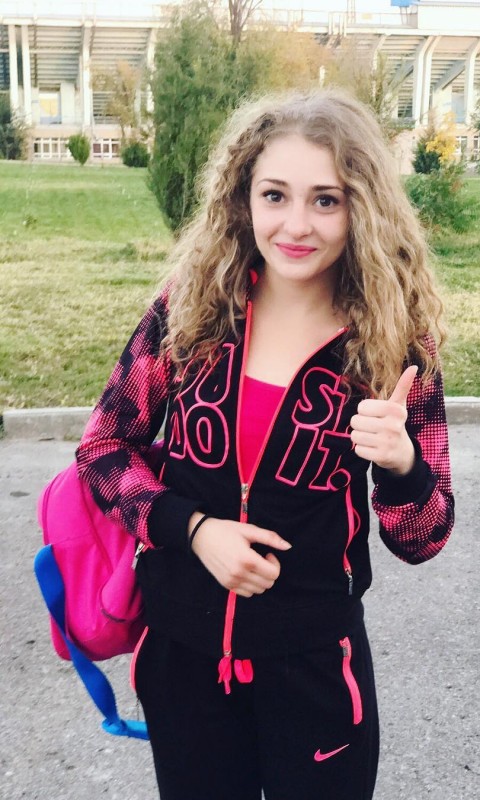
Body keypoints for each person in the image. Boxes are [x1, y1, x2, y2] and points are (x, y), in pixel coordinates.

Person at [76, 88, 454, 800]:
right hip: (184, 661)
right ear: (243, 198)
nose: (296, 225)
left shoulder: (394, 342)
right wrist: (195, 531)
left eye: (326, 200)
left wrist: (402, 463)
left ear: (362, 207)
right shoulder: (191, 310)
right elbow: (103, 448)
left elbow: (423, 537)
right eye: (275, 195)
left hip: (316, 672)